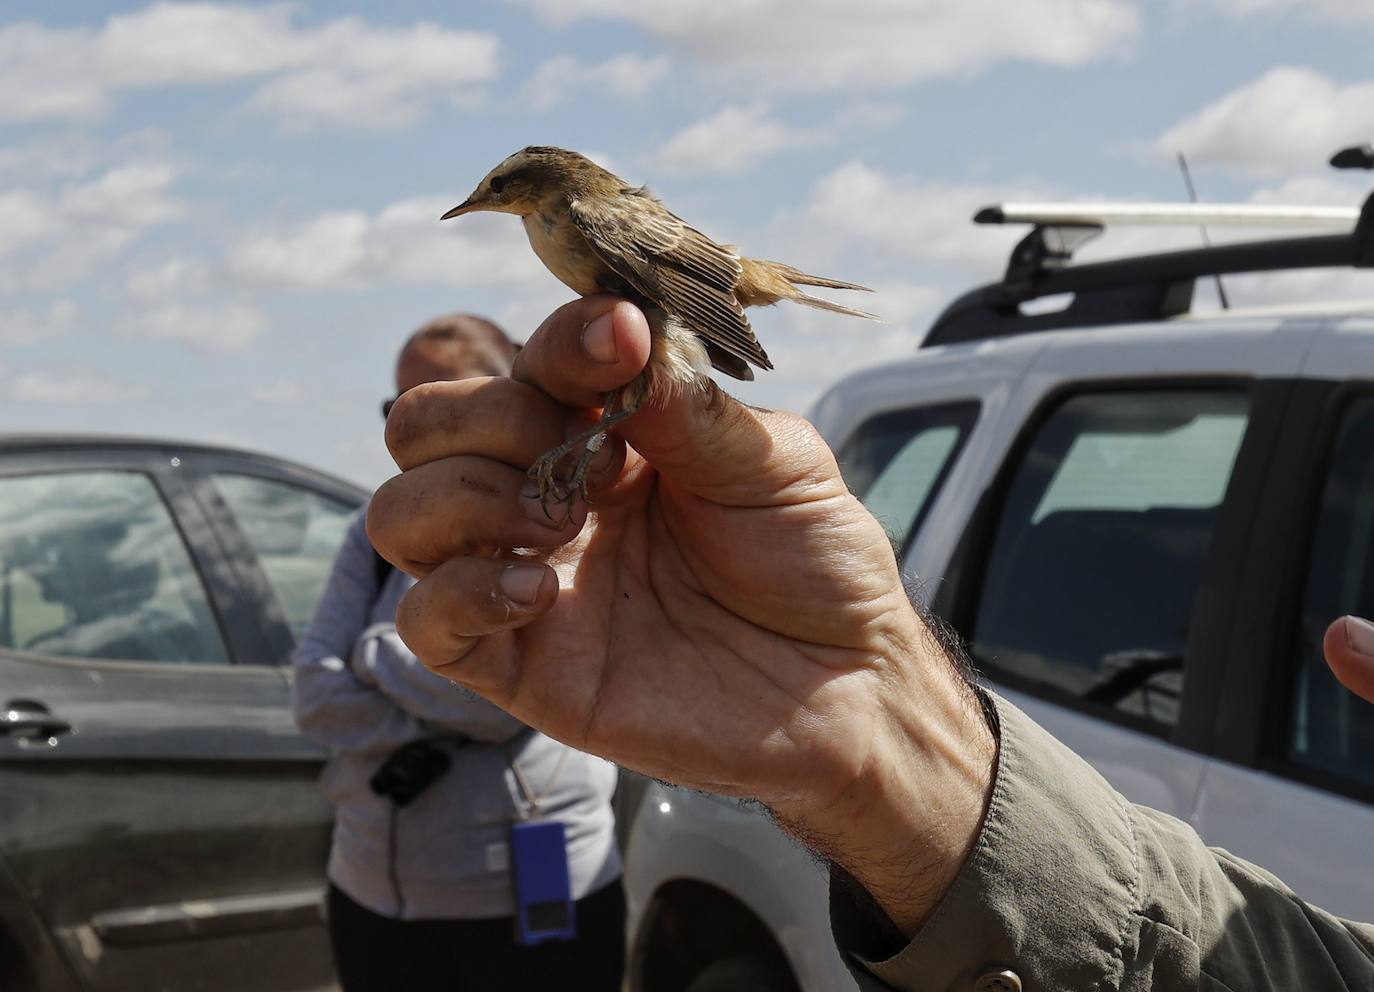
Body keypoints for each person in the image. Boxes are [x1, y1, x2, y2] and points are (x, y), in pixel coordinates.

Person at [365, 295, 1374, 991]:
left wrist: (383, 680)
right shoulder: (439, 525)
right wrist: (875, 731)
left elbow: (351, 678)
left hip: (539, 849)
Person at [291, 313, 625, 992]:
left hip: (531, 893)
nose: (419, 433)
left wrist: (377, 651)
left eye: (446, 405)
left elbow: (503, 703)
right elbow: (313, 695)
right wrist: (432, 692)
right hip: (371, 893)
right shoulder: (374, 528)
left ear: (506, 399)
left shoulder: (554, 514)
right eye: (401, 410)